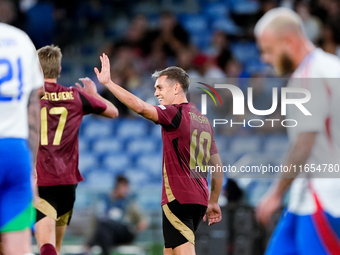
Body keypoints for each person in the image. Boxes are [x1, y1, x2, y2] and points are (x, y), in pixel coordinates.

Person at [94, 54, 223, 255]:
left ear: (176, 88)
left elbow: (140, 107)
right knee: (170, 251)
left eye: (160, 87)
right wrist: (213, 201)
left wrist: (109, 83)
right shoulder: (203, 120)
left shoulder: (174, 113)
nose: (156, 93)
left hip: (178, 198)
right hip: (198, 200)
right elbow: (217, 167)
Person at [254, 7, 340, 255]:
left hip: (323, 199)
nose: (265, 59)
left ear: (289, 41)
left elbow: (304, 142)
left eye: (268, 50)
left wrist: (275, 193)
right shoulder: (329, 66)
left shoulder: (308, 76)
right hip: (304, 197)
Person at [34, 45, 118, 255]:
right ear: (60, 69)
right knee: (56, 247)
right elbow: (113, 112)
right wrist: (94, 94)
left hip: (41, 178)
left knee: (46, 245)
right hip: (68, 181)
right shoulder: (75, 96)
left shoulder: (31, 97)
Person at [0, 22, 44, 254]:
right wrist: (32, 168)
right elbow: (34, 110)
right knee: (18, 248)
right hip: (15, 151)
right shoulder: (21, 39)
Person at [84, 175, 148, 255]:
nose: (127, 190)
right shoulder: (104, 202)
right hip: (110, 236)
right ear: (117, 187)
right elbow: (93, 222)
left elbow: (143, 220)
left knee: (104, 223)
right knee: (103, 231)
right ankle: (104, 252)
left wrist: (136, 229)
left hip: (125, 233)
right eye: (124, 187)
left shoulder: (129, 204)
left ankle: (89, 246)